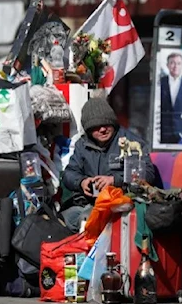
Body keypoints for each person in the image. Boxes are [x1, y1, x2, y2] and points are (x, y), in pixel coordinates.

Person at [61, 98, 156, 232]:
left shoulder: (130, 143)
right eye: (96, 127)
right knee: (61, 219)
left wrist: (114, 180)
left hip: (123, 203)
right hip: (91, 203)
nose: (103, 129)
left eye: (106, 124)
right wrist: (81, 182)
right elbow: (69, 174)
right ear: (88, 130)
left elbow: (147, 174)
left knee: (87, 220)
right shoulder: (82, 145)